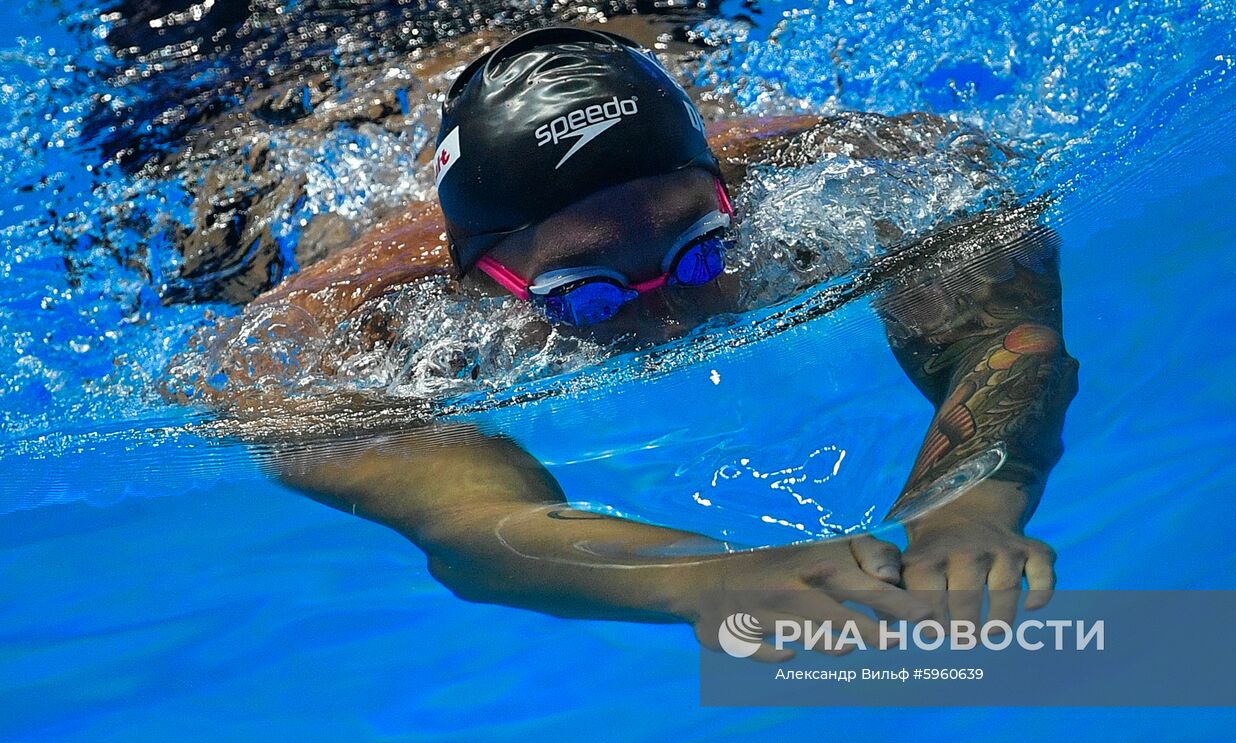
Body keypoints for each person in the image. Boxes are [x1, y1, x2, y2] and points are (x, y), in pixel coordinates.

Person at [184, 27, 1078, 660]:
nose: (668, 320)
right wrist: (699, 582)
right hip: (266, 61)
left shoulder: (847, 174)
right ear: (479, 285)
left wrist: (969, 504)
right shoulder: (349, 332)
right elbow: (472, 528)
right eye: (587, 295)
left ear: (726, 192)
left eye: (697, 257)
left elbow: (1003, 329)